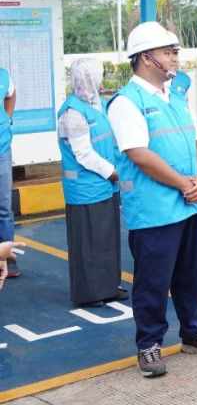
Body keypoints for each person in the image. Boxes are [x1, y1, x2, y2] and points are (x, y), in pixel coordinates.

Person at [107, 21, 197, 377]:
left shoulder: (176, 96)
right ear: (146, 57)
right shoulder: (126, 102)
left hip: (189, 202)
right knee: (153, 282)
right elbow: (139, 154)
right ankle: (148, 344)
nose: (175, 57)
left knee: (191, 276)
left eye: (175, 51)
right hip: (155, 209)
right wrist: (184, 184)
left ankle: (193, 332)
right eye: (168, 52)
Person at [57, 58, 127, 308]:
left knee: (106, 240)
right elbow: (84, 154)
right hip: (85, 190)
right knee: (88, 244)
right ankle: (90, 294)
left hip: (105, 186)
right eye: (99, 75)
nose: (101, 79)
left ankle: (108, 287)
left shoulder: (98, 104)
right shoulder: (72, 113)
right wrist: (113, 173)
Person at [0, 66, 16, 279]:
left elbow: (11, 94)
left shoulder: (3, 75)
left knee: (4, 208)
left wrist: (8, 117)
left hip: (2, 148)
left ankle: (8, 259)